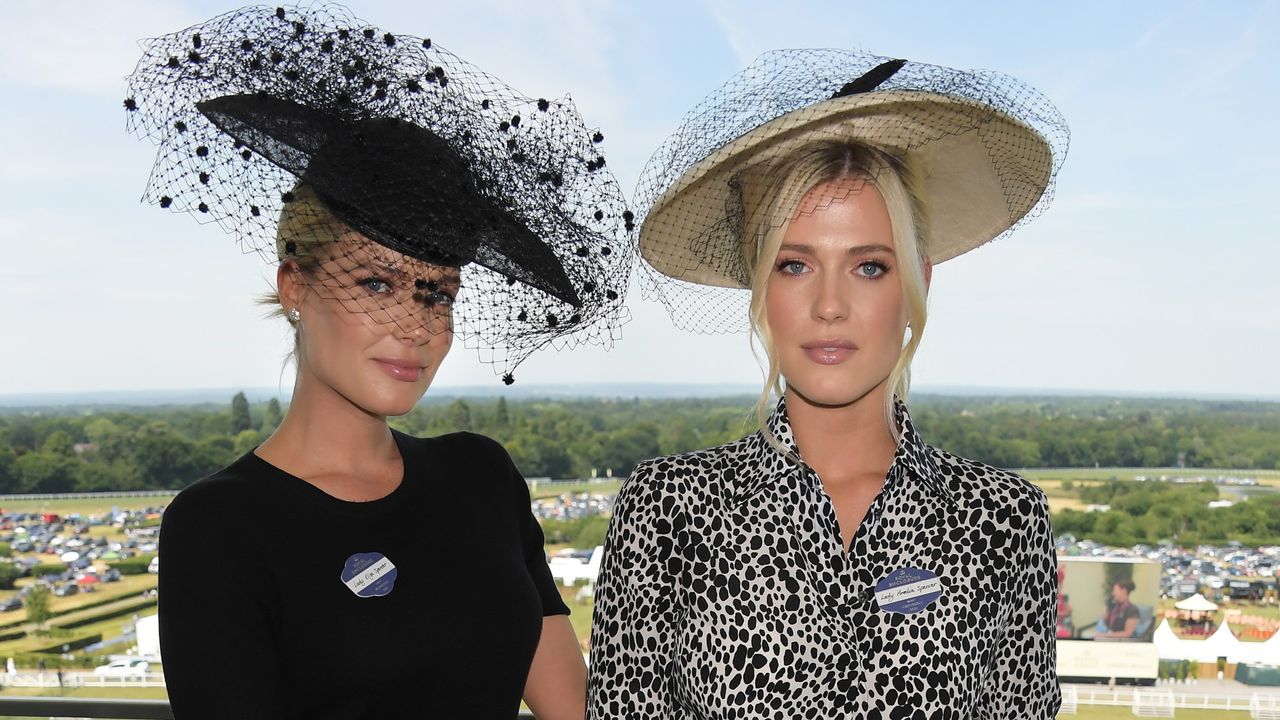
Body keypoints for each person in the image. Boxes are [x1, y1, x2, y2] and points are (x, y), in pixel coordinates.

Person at [124, 5, 631, 718]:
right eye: (376, 283)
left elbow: (577, 709)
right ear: (294, 285)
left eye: (438, 293)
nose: (415, 326)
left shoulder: (481, 478)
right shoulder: (221, 528)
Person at [589, 49, 1068, 717]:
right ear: (760, 288)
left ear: (918, 282)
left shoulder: (1003, 521)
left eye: (869, 267)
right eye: (794, 265)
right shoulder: (667, 512)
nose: (830, 305)